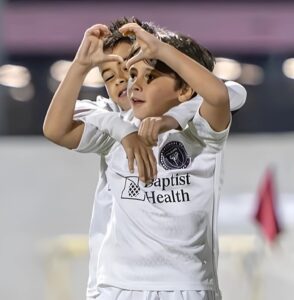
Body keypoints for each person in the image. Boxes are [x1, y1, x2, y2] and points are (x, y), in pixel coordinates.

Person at [43, 18, 246, 300]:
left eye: (136, 70)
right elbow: (56, 127)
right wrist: (80, 66)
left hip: (186, 285)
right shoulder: (114, 123)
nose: (128, 83)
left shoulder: (199, 129)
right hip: (117, 286)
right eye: (112, 76)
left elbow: (227, 94)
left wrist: (162, 59)